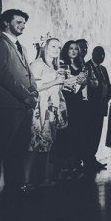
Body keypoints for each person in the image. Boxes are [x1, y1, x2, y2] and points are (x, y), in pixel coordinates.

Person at [0, 9, 38, 202]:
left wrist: (34, 91)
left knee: (18, 150)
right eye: (19, 22)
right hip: (6, 108)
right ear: (6, 22)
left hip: (23, 108)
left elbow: (29, 74)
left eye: (24, 23)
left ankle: (15, 187)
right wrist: (26, 96)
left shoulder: (22, 46)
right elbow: (2, 74)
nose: (23, 25)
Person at [25, 36, 66, 189]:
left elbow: (54, 88)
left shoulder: (53, 66)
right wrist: (56, 81)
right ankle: (26, 181)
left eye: (58, 47)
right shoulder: (37, 64)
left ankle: (40, 179)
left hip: (51, 109)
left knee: (46, 144)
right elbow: (34, 87)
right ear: (45, 47)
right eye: (53, 46)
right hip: (39, 108)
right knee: (34, 143)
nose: (56, 49)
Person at [53, 40, 88, 179]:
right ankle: (63, 167)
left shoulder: (81, 64)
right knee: (65, 133)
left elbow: (85, 84)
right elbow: (61, 81)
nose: (73, 51)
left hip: (78, 101)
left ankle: (74, 165)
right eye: (71, 48)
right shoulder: (62, 63)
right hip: (67, 100)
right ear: (66, 50)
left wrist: (84, 81)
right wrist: (73, 80)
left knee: (77, 132)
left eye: (76, 49)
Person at [84, 46, 110, 171]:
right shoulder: (87, 67)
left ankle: (92, 158)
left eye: (103, 54)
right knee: (89, 134)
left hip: (101, 107)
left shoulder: (103, 69)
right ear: (93, 54)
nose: (102, 56)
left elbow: (108, 86)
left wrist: (106, 99)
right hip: (91, 108)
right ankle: (87, 161)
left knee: (97, 134)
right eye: (99, 54)